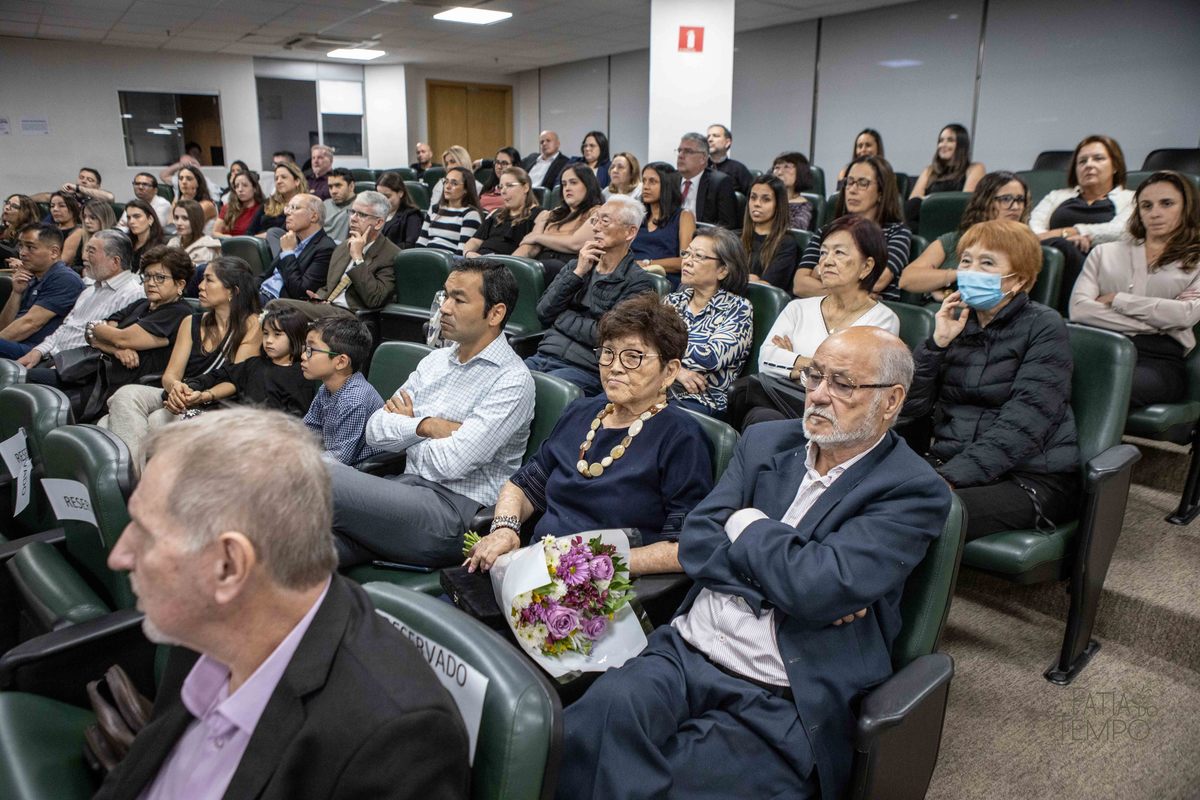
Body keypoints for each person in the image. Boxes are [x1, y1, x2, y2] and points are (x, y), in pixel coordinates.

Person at [554, 326, 950, 800]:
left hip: (781, 691)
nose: (819, 396)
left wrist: (744, 523)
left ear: (891, 401)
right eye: (814, 376)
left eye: (842, 384)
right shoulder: (765, 442)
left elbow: (818, 588)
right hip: (685, 651)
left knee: (674, 785)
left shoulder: (912, 490)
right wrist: (788, 583)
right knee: (580, 737)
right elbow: (698, 540)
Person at [95, 407, 469, 800]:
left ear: (228, 566)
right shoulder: (204, 627)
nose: (119, 556)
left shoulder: (392, 744)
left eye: (145, 533)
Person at [466, 292, 714, 576]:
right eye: (607, 353)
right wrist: (504, 529)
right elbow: (523, 485)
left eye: (633, 356)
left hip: (600, 589)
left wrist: (598, 566)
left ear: (669, 372)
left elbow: (684, 547)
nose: (615, 366)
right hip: (530, 566)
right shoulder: (581, 412)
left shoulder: (682, 438)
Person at [329, 259, 536, 567]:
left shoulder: (512, 380)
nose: (445, 308)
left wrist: (405, 431)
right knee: (298, 545)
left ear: (495, 313)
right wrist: (426, 426)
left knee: (312, 471)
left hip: (451, 515)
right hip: (402, 494)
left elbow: (453, 464)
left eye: (459, 299)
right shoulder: (435, 361)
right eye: (446, 296)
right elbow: (374, 430)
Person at [904, 219, 1079, 541]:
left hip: (1028, 475)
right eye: (966, 261)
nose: (970, 271)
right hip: (954, 461)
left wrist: (952, 477)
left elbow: (1026, 420)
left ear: (1020, 280)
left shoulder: (1044, 325)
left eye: (987, 263)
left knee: (914, 514)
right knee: (859, 493)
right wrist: (937, 344)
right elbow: (912, 406)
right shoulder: (958, 322)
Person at [730, 215, 900, 430]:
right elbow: (767, 359)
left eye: (839, 252)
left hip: (840, 414)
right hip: (784, 400)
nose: (826, 261)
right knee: (761, 417)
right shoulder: (798, 308)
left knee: (765, 415)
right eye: (823, 252)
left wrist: (795, 362)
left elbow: (850, 381)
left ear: (866, 266)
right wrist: (821, 369)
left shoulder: (883, 320)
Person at [100, 257, 262, 464]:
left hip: (215, 400)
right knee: (125, 395)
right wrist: (176, 387)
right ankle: (133, 479)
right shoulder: (191, 322)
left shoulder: (252, 325)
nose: (200, 287)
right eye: (202, 280)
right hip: (182, 392)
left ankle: (129, 483)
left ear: (232, 290)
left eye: (209, 280)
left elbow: (235, 380)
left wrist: (199, 395)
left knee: (111, 423)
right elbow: (171, 375)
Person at [1070, 171, 1200, 408]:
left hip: (1159, 361)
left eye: (1167, 204)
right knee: (1044, 379)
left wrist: (1118, 300)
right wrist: (1156, 325)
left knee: (1102, 387)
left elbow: (1185, 314)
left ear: (1187, 208)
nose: (1155, 213)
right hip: (1100, 348)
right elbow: (1079, 310)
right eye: (1146, 206)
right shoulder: (1104, 253)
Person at [525, 195, 657, 395]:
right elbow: (544, 312)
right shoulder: (576, 266)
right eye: (595, 220)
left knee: (539, 393)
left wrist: (561, 318)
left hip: (586, 370)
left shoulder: (639, 282)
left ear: (630, 232)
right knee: (502, 382)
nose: (595, 228)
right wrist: (577, 273)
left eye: (605, 221)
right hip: (544, 355)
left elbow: (610, 337)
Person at [66, 245, 194, 420]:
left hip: (122, 388)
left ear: (180, 284)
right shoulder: (141, 304)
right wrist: (116, 349)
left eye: (160, 278)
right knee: (35, 387)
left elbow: (120, 337)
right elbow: (102, 333)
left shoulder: (178, 312)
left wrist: (102, 332)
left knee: (50, 404)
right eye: (147, 276)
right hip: (97, 375)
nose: (151, 283)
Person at [16, 229, 144, 372]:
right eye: (85, 250)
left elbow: (116, 344)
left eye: (91, 251)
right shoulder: (90, 290)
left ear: (115, 261)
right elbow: (64, 329)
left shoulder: (133, 294)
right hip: (51, 357)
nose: (84, 257)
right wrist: (37, 351)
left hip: (78, 369)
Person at [1030, 134, 1135, 300]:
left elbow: (1121, 231)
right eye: (1082, 161)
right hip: (1052, 258)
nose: (1089, 165)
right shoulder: (1056, 196)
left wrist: (1075, 232)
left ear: (1115, 166)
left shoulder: (1131, 199)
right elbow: (1034, 230)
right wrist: (1065, 238)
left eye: (1098, 158)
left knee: (1061, 246)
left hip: (1103, 264)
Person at [900, 171, 1031, 301]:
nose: (1015, 207)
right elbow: (907, 279)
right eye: (1006, 199)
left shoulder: (1026, 245)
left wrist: (946, 294)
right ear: (985, 202)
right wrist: (961, 274)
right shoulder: (955, 239)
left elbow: (1011, 295)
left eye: (1020, 200)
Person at [794, 155, 910, 300]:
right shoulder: (828, 231)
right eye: (849, 182)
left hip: (871, 315)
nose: (852, 190)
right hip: (825, 310)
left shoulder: (897, 233)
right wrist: (854, 293)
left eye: (862, 183)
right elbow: (800, 285)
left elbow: (878, 281)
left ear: (881, 192)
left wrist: (818, 272)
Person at [665, 227, 753, 417]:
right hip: (658, 386)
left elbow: (709, 357)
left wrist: (662, 356)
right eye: (686, 253)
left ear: (722, 270)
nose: (687, 261)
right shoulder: (673, 301)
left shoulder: (738, 308)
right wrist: (675, 371)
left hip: (699, 399)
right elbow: (642, 344)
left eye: (698, 256)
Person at [272, 191, 399, 319]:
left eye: (361, 215)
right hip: (328, 307)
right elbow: (329, 286)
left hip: (352, 315)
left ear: (378, 223)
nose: (353, 218)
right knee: (278, 311)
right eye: (352, 212)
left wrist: (358, 258)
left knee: (276, 306)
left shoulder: (391, 255)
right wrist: (319, 298)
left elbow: (375, 299)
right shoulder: (343, 247)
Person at [183, 305, 315, 418]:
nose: (268, 340)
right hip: (236, 422)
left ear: (295, 337)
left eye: (277, 334)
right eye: (265, 333)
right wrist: (192, 387)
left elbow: (296, 421)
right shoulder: (254, 364)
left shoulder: (301, 375)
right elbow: (219, 375)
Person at [301, 316, 384, 466]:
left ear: (340, 362)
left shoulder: (354, 400)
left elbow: (339, 458)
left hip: (358, 474)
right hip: (328, 460)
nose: (303, 356)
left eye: (311, 350)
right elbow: (309, 429)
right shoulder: (326, 388)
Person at [0, 225, 83, 359]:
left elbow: (31, 324)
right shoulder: (31, 277)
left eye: (31, 247)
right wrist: (16, 293)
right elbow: (4, 327)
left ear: (54, 252)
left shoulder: (64, 278)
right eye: (21, 246)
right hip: (16, 344)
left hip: (37, 352)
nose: (22, 253)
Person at [513, 163, 603, 282]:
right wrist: (507, 265)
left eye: (573, 182)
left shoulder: (597, 212)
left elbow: (575, 244)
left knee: (543, 268)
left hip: (572, 269)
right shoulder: (552, 214)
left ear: (588, 185)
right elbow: (530, 245)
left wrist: (539, 237)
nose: (567, 188)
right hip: (542, 265)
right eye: (564, 184)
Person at [258, 194, 336, 303]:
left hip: (277, 302)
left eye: (295, 208)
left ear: (313, 216)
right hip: (261, 293)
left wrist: (288, 253)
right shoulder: (292, 240)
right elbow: (266, 275)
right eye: (288, 207)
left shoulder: (326, 248)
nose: (287, 212)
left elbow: (300, 292)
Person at [906, 124, 986, 225]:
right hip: (925, 218)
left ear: (961, 144)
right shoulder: (929, 170)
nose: (943, 145)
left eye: (950, 140)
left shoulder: (974, 168)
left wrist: (929, 200)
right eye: (941, 140)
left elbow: (963, 202)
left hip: (954, 220)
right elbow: (913, 201)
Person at [630, 162, 694, 286]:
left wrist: (646, 264)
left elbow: (685, 260)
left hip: (662, 280)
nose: (646, 187)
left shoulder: (684, 216)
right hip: (631, 276)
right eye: (644, 181)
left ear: (667, 185)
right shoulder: (637, 216)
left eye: (652, 181)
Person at [742, 175, 801, 291]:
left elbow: (767, 288)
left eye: (766, 199)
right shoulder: (733, 237)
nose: (757, 204)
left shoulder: (786, 244)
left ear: (778, 205)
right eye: (753, 198)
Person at [463, 166, 538, 257]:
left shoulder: (538, 214)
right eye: (501, 187)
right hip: (479, 260)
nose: (503, 191)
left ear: (525, 187)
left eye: (509, 185)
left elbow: (529, 249)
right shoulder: (496, 213)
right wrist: (468, 253)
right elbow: (475, 240)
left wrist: (504, 265)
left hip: (503, 266)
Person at [676, 132, 740, 229]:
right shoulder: (671, 179)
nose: (680, 155)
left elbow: (727, 226)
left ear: (703, 158)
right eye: (679, 150)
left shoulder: (720, 182)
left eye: (688, 151)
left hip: (703, 239)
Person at [416, 166, 482, 255]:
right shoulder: (435, 209)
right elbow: (421, 243)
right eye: (446, 182)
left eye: (454, 183)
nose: (447, 186)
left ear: (466, 189)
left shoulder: (470, 214)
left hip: (449, 263)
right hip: (426, 259)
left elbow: (462, 253)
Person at [249, 161, 307, 236]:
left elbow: (283, 233)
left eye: (284, 177)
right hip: (258, 244)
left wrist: (257, 238)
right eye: (276, 178)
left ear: (297, 181)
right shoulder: (268, 203)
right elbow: (250, 230)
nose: (279, 181)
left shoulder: (304, 204)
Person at [166, 199, 222, 269]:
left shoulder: (206, 249)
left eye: (185, 218)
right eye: (176, 218)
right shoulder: (173, 242)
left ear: (196, 220)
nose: (179, 223)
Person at [376, 171, 424, 250]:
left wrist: (383, 251)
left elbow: (410, 245)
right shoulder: (375, 214)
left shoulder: (412, 215)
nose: (382, 201)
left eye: (387, 196)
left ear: (400, 193)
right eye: (379, 196)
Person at [212, 171, 265, 238]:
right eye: (237, 186)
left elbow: (266, 234)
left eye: (245, 185)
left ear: (254, 188)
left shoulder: (263, 209)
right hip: (229, 245)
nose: (240, 189)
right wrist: (228, 238)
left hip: (251, 246)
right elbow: (215, 232)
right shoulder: (227, 208)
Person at [771, 151, 815, 231]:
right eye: (777, 167)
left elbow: (796, 232)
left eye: (787, 167)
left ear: (800, 172)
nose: (780, 172)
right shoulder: (766, 201)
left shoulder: (804, 207)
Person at [707, 124, 753, 195]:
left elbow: (751, 195)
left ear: (727, 142)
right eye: (708, 137)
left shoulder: (738, 169)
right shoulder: (699, 168)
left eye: (715, 136)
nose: (710, 140)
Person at [170, 165, 218, 233]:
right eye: (181, 178)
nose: (184, 182)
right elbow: (170, 226)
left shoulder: (207, 205)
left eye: (189, 179)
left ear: (198, 183)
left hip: (203, 241)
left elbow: (189, 227)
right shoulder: (177, 200)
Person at [33, 166, 115, 205]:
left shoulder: (99, 199)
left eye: (90, 180)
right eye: (81, 177)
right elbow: (45, 197)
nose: (84, 181)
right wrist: (61, 194)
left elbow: (110, 197)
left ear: (98, 187)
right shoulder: (69, 196)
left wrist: (78, 188)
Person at [124, 199, 167, 272]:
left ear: (150, 219)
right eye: (129, 217)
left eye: (137, 216)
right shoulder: (125, 242)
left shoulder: (162, 246)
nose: (131, 221)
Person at [477, 147, 522, 213]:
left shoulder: (517, 190)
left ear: (515, 166)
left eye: (504, 163)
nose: (499, 167)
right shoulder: (489, 187)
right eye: (497, 162)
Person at [48, 191, 85, 269]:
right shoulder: (49, 229)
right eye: (52, 206)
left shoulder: (78, 231)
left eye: (61, 206)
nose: (55, 209)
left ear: (74, 208)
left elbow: (63, 262)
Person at [322, 168, 357, 243]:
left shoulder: (361, 206)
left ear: (351, 186)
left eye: (338, 186)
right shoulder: (324, 205)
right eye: (330, 187)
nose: (333, 191)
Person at [1, 194, 40, 261]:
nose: (7, 207)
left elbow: (16, 253)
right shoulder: (8, 229)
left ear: (26, 212)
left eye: (14, 206)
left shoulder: (30, 232)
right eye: (7, 203)